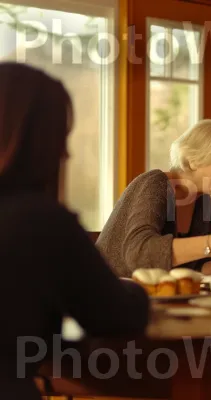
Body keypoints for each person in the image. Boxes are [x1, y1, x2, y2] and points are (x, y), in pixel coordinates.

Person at [0, 62, 149, 399]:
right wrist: (139, 290)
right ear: (39, 142)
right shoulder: (42, 222)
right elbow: (115, 315)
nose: (66, 153)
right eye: (60, 137)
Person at [96, 120, 211, 277]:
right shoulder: (155, 183)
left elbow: (189, 269)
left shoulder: (203, 202)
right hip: (104, 294)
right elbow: (138, 254)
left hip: (149, 296)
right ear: (194, 160)